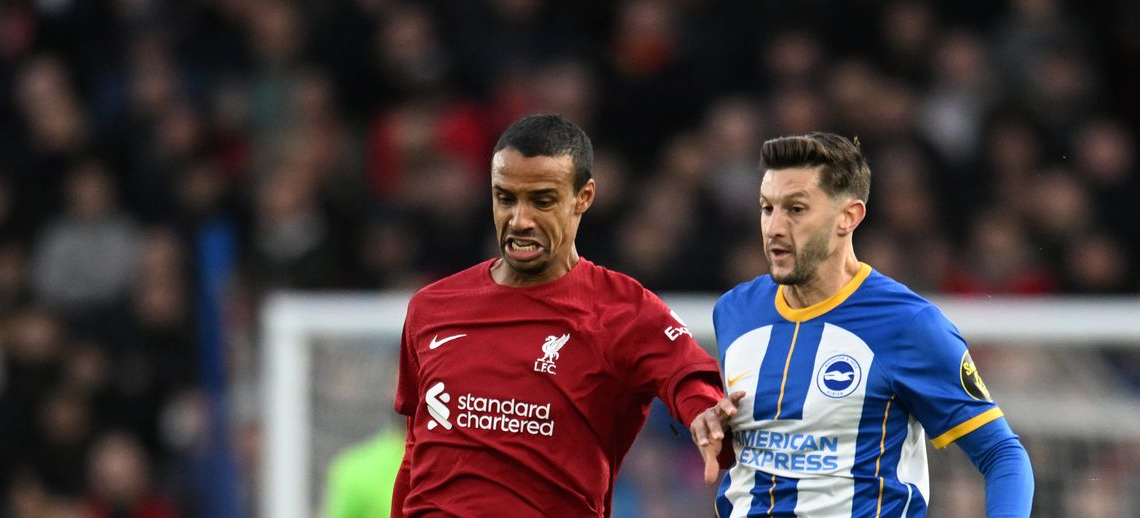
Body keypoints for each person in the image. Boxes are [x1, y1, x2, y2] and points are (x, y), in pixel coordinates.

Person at [391, 114, 726, 517]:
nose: (520, 220)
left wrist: (705, 413)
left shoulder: (624, 310)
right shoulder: (432, 307)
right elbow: (415, 454)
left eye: (542, 201)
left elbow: (688, 376)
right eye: (505, 198)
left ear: (583, 197)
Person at [690, 132, 1033, 516]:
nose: (774, 228)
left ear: (848, 217)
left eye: (796, 209)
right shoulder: (735, 312)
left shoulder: (908, 325)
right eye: (767, 208)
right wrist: (716, 427)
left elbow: (1003, 455)